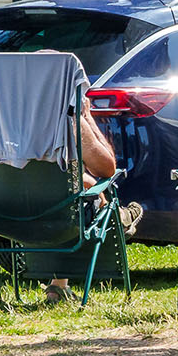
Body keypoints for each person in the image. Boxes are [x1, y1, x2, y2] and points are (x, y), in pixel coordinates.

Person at [43, 109, 123, 304]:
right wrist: (86, 116)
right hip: (60, 214)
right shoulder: (64, 109)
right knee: (82, 202)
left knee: (75, 190)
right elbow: (106, 168)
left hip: (4, 213)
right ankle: (122, 218)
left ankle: (59, 286)